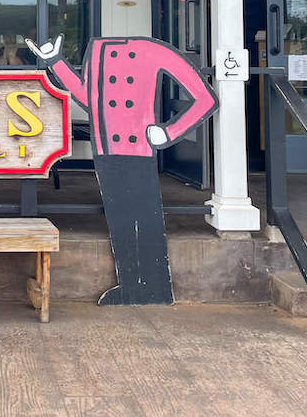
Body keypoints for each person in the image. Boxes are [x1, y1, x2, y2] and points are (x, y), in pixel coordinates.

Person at [26, 34, 218, 305]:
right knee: (120, 221)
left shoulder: (152, 49)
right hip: (106, 146)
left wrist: (168, 131)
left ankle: (157, 287)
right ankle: (130, 285)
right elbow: (89, 99)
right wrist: (55, 62)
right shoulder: (98, 49)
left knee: (146, 217)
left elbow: (205, 99)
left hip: (140, 146)